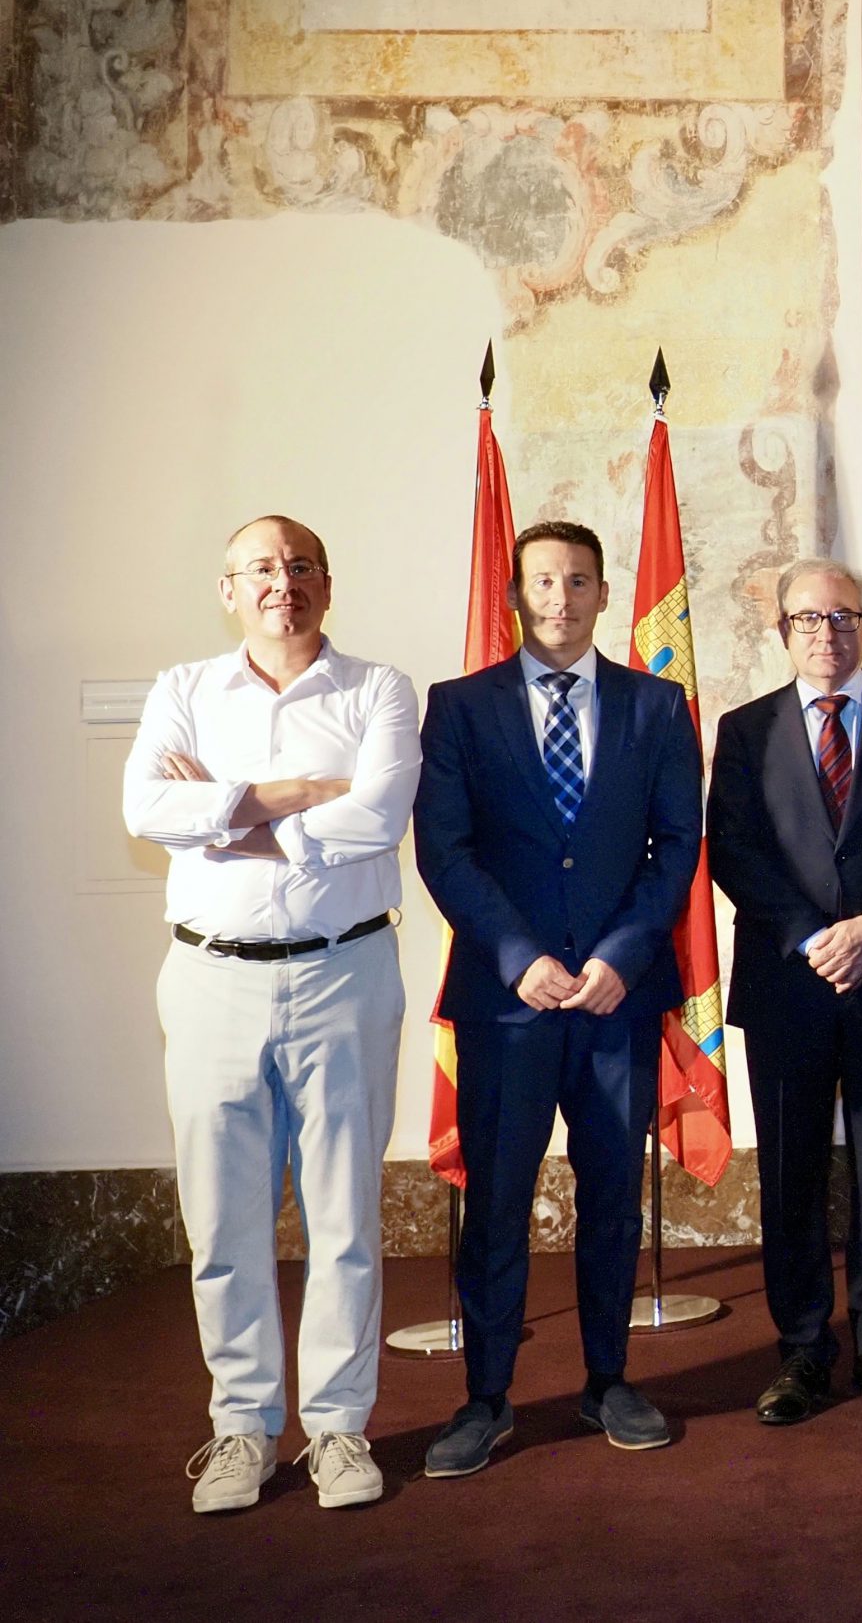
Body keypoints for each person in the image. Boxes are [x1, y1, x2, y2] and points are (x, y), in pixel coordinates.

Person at [122, 516, 417, 1514]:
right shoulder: (182, 690)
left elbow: (376, 815)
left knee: (343, 1218)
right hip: (209, 980)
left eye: (298, 567)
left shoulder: (379, 689)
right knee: (223, 1221)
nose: (280, 583)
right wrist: (293, 796)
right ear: (227, 589)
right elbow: (145, 812)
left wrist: (228, 814)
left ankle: (337, 1430)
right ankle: (242, 1429)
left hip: (344, 972)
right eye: (260, 569)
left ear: (326, 583)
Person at [415, 521, 702, 1477]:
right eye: (543, 580)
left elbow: (676, 850)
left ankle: (608, 1379)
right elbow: (445, 850)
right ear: (514, 595)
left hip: (618, 998)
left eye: (579, 580)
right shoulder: (459, 707)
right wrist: (515, 955)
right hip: (510, 1002)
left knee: (614, 1196)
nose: (561, 597)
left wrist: (624, 952)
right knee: (498, 1200)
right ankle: (486, 1398)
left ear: (606, 593)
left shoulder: (658, 707)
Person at [705, 557, 862, 1425]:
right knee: (790, 1174)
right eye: (809, 618)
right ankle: (803, 1348)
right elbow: (733, 850)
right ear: (783, 632)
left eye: (844, 616)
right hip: (786, 982)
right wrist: (815, 935)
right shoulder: (745, 728)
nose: (828, 632)